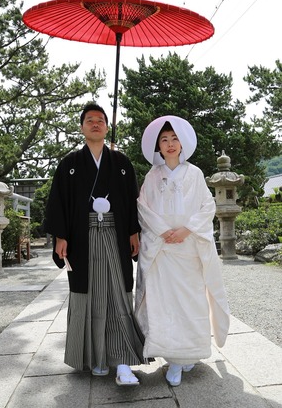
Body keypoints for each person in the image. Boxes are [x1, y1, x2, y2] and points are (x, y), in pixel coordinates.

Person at [44, 103, 145, 386]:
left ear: (107, 127)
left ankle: (122, 360)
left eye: (101, 120)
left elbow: (132, 200)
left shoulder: (121, 163)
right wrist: (61, 236)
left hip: (115, 234)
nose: (96, 124)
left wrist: (133, 231)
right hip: (82, 237)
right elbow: (59, 202)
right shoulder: (70, 165)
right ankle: (94, 358)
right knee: (88, 296)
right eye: (90, 120)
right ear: (82, 127)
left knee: (117, 294)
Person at [135, 115, 230, 387]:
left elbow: (207, 206)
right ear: (159, 147)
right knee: (165, 304)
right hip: (163, 251)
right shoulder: (153, 176)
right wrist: (164, 230)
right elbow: (143, 207)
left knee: (191, 302)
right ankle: (174, 359)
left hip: (188, 249)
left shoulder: (195, 173)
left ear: (182, 142)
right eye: (164, 140)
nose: (170, 144)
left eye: (174, 138)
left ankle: (189, 352)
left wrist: (186, 229)